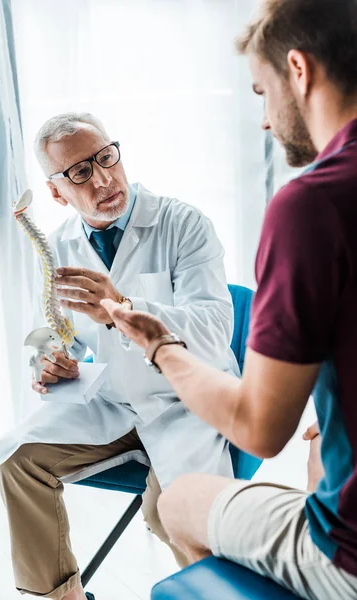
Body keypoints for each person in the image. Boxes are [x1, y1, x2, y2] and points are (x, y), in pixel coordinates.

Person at [101, 1, 357, 598]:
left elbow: (259, 429)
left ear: (299, 69)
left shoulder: (310, 205)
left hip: (348, 559)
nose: (265, 121)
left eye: (261, 92)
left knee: (182, 499)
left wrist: (161, 345)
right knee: (321, 456)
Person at [0, 112, 239, 600]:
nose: (102, 178)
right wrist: (50, 365)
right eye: (80, 171)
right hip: (113, 404)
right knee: (16, 461)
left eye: (106, 158)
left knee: (175, 518)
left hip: (188, 403)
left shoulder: (183, 224)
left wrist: (121, 308)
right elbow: (61, 338)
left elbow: (214, 331)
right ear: (57, 192)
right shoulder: (59, 248)